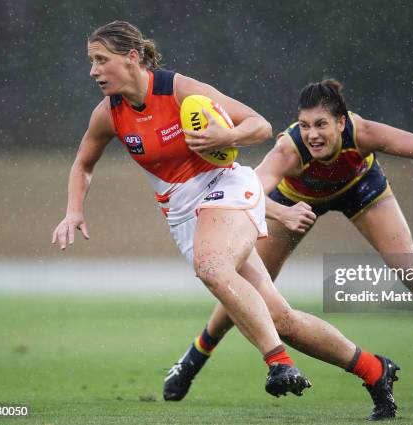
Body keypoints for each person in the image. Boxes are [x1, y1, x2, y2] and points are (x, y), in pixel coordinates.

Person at [164, 79, 413, 407]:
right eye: (304, 126)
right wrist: (283, 214)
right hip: (294, 202)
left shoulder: (363, 132)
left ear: (341, 122)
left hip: (362, 189)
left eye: (321, 125)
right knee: (248, 286)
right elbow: (248, 192)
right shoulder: (289, 151)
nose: (312, 135)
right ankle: (197, 355)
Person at [51, 20, 317, 399]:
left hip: (225, 189)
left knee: (212, 269)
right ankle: (371, 369)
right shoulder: (108, 113)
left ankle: (277, 362)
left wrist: (228, 136)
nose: (93, 70)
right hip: (182, 215)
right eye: (90, 61)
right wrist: (73, 211)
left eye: (100, 60)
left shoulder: (180, 91)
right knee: (279, 315)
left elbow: (259, 125)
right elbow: (83, 163)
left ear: (131, 57)